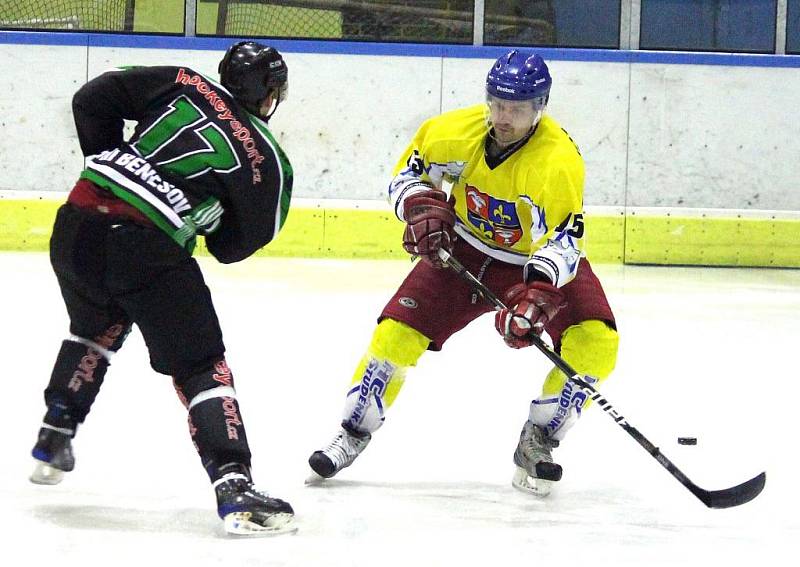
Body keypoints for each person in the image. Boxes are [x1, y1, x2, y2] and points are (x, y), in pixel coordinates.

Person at [308, 50, 619, 496]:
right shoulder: (452, 132)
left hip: (528, 264)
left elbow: (564, 238)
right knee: (395, 336)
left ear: (540, 106)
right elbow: (406, 176)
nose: (503, 117)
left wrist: (538, 291)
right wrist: (417, 205)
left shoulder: (558, 161)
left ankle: (539, 440)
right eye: (496, 104)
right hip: (463, 253)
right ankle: (353, 430)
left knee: (597, 343)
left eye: (516, 109)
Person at [29, 41, 296, 535]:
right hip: (145, 247)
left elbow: (91, 98)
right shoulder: (268, 158)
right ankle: (234, 484)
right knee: (200, 365)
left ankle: (55, 433)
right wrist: (208, 223)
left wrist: (116, 167)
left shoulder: (184, 80)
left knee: (97, 323)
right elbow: (237, 246)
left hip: (76, 222)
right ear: (269, 96)